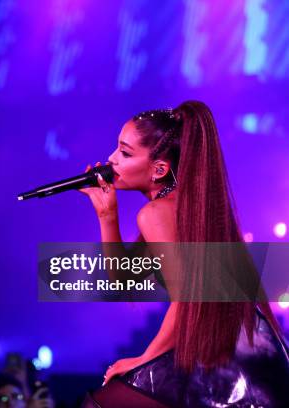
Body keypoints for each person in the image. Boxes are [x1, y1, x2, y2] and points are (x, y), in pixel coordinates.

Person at [79, 100, 289, 407]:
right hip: (245, 353)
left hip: (232, 363)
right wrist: (107, 216)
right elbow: (124, 280)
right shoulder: (180, 206)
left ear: (160, 169)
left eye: (124, 153)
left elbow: (189, 300)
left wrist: (143, 360)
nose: (110, 159)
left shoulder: (157, 213)